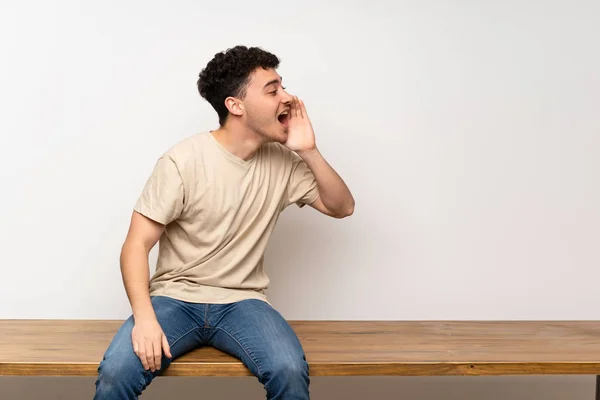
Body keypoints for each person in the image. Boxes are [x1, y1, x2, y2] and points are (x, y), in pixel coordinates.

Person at [93, 45, 355, 400]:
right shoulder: (182, 160)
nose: (288, 98)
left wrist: (308, 150)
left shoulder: (283, 162)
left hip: (243, 302)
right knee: (117, 371)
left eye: (283, 86)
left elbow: (342, 207)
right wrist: (145, 319)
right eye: (273, 89)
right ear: (236, 105)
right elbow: (135, 245)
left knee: (289, 371)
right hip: (175, 299)